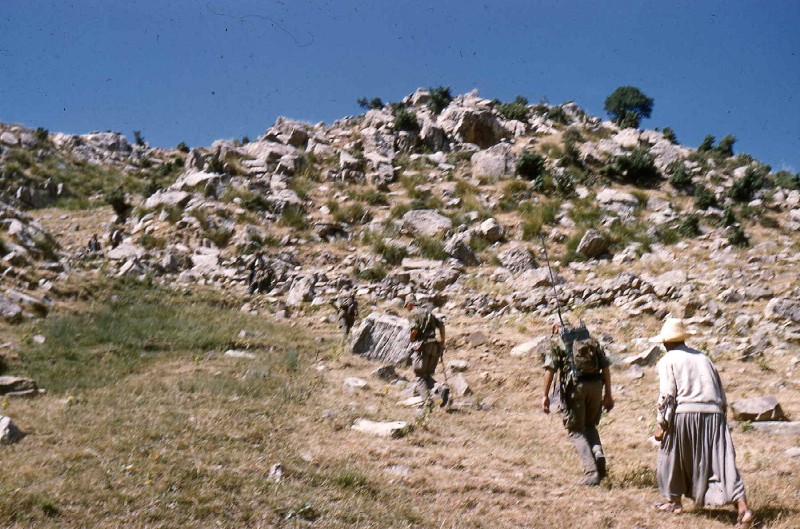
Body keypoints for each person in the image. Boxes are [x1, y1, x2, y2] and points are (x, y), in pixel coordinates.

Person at [650, 318, 754, 527]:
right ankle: (743, 508)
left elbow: (668, 395)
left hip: (685, 412)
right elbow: (719, 389)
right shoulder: (703, 357)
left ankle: (674, 502)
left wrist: (661, 424)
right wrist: (721, 416)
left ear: (666, 342)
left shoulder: (668, 360)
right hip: (714, 413)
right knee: (722, 460)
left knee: (671, 455)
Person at [542, 321, 614, 486]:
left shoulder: (558, 342)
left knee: (575, 431)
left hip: (576, 387)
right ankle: (597, 453)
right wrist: (608, 394)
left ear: (556, 329)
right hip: (596, 385)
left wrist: (545, 395)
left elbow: (550, 369)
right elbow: (606, 367)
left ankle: (591, 472)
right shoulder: (591, 340)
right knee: (590, 425)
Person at [406, 297, 446, 401]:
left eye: (406, 306)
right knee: (427, 375)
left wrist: (411, 339)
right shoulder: (429, 313)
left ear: (410, 304)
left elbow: (414, 330)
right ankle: (440, 388)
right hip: (434, 346)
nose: (407, 309)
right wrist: (442, 343)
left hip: (422, 347)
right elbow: (441, 325)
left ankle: (427, 402)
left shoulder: (413, 313)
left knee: (419, 375)